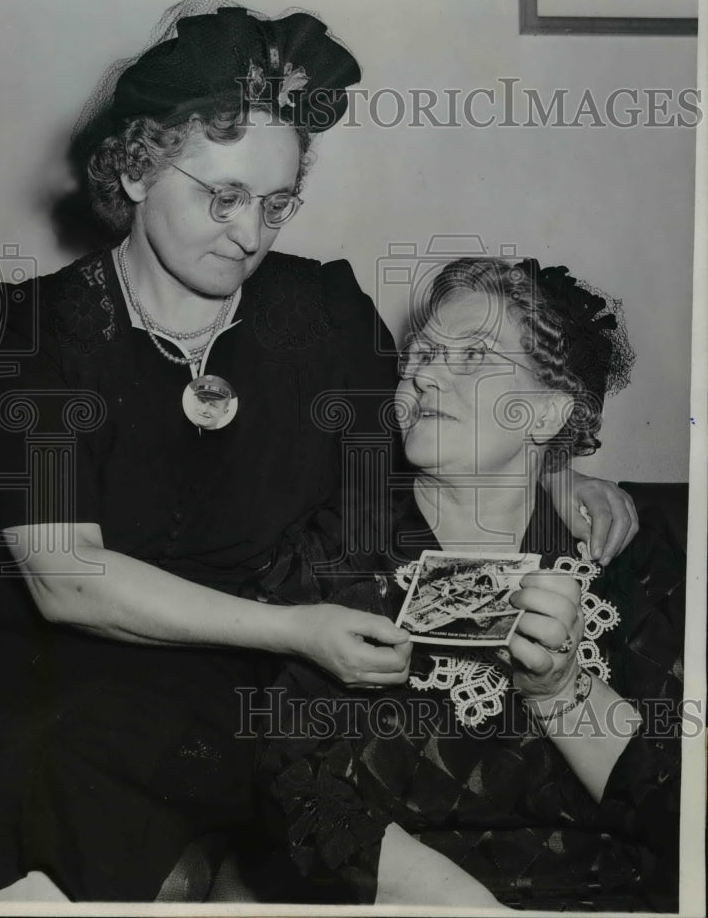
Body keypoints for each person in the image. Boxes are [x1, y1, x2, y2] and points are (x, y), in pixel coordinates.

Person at [0, 0, 638, 904]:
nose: (250, 235)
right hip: (78, 689)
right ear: (134, 170)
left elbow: (417, 439)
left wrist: (561, 463)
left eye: (277, 203)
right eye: (224, 197)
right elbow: (65, 576)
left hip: (270, 689)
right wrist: (294, 630)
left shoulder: (318, 310)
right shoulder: (33, 330)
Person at [259, 258, 684, 911]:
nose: (424, 373)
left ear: (542, 414)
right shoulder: (328, 555)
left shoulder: (632, 561)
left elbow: (680, 809)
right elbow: (301, 800)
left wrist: (560, 691)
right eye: (423, 353)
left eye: (472, 357)